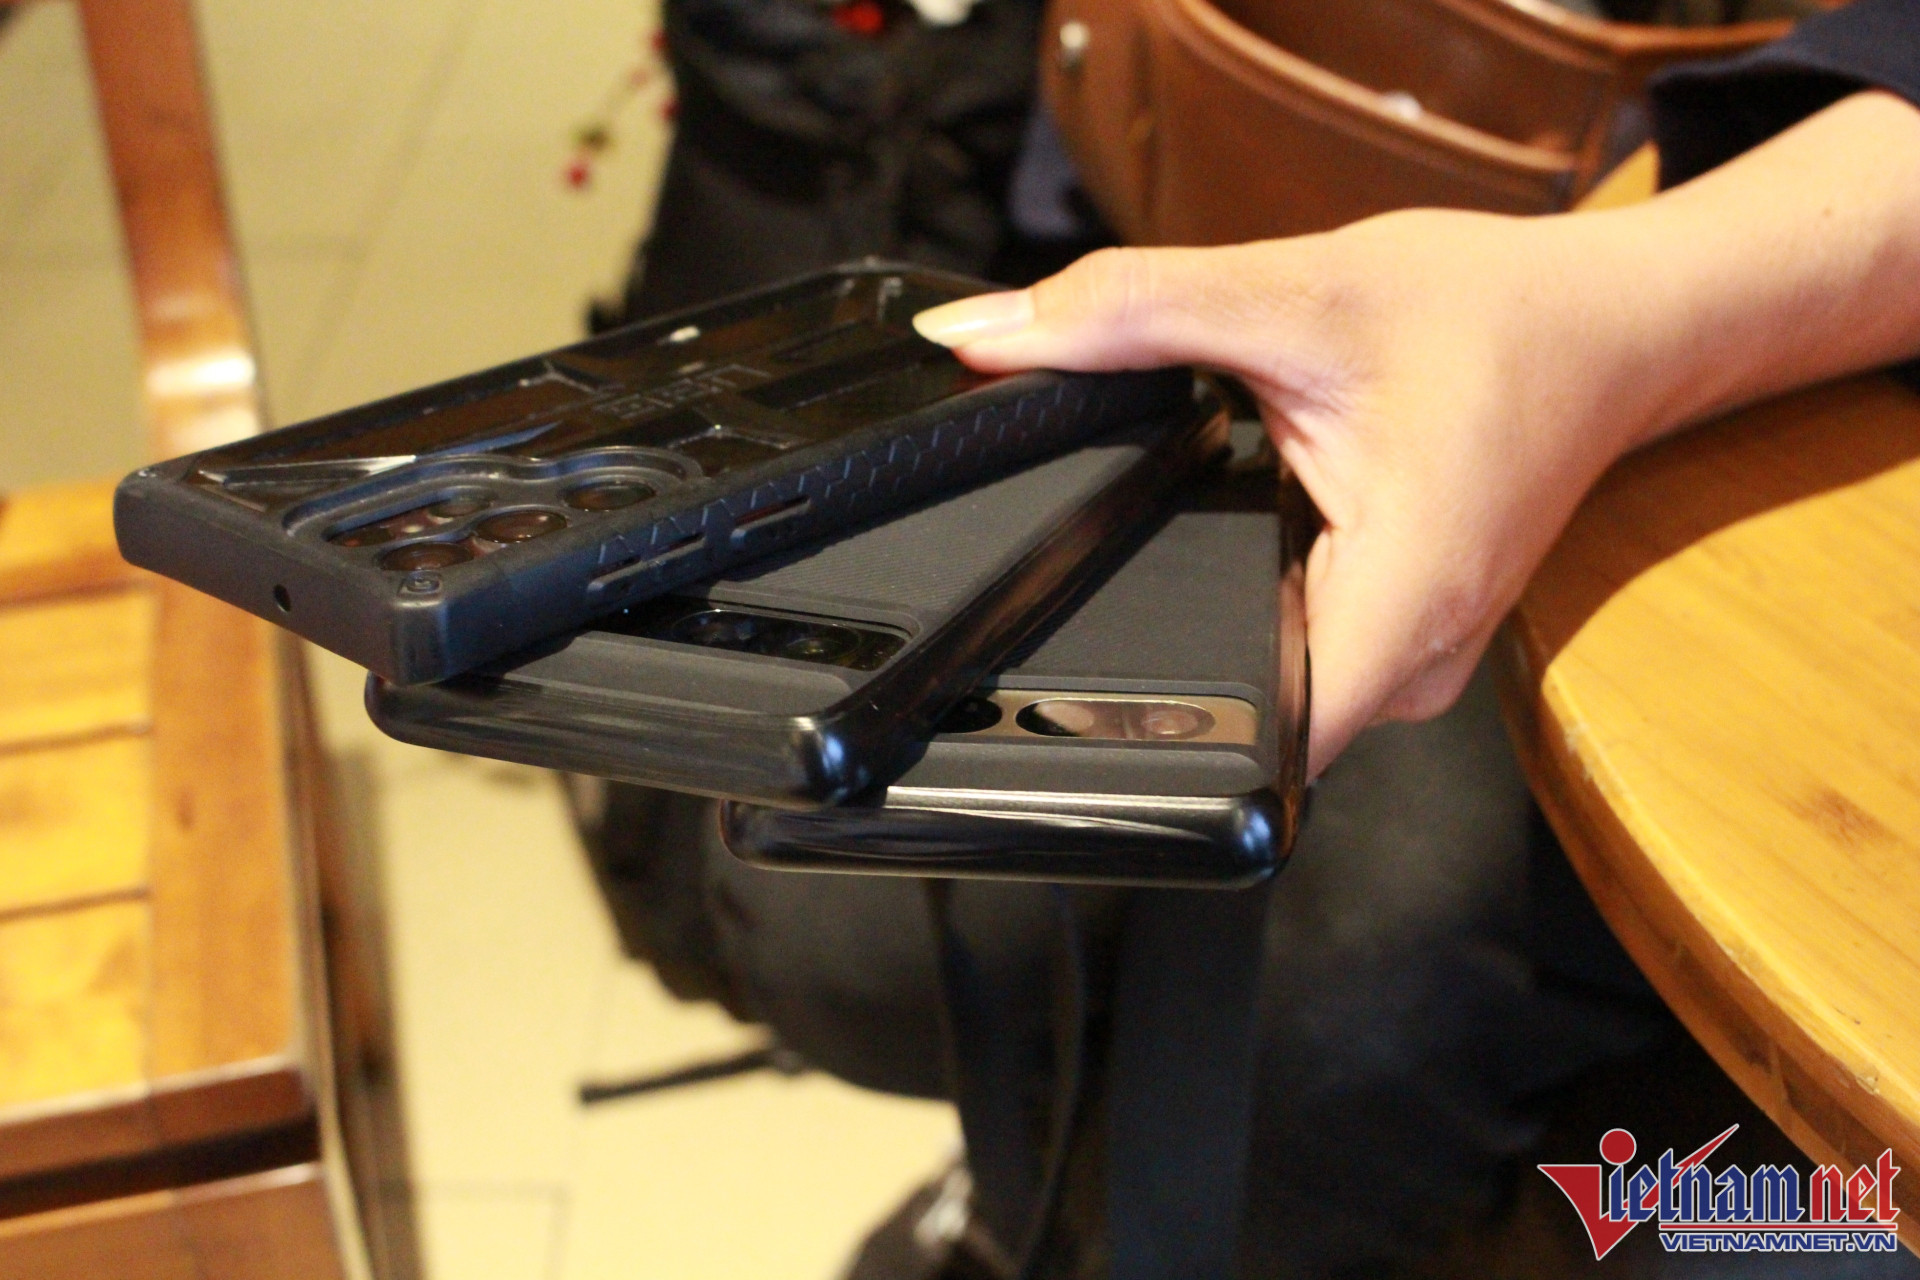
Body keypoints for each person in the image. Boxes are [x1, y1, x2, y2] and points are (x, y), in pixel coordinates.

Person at [577, 0, 1920, 1274]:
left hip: (1698, 338)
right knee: (839, 930)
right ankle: (1037, 1195)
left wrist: (1612, 318)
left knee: (1350, 1011)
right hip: (1180, 216)